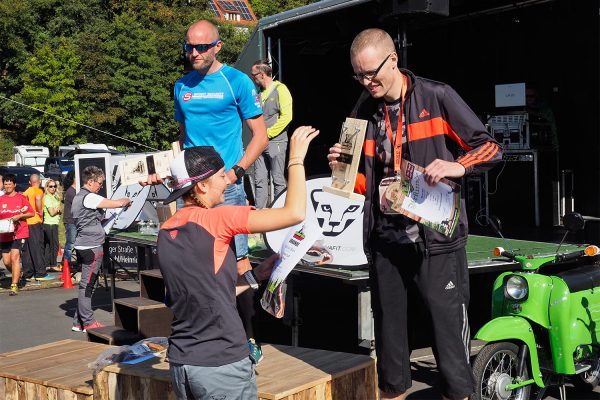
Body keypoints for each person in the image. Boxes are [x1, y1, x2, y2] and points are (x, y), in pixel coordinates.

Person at [327, 28, 502, 400]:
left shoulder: (436, 96)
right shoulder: (361, 107)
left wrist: (459, 166)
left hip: (435, 239)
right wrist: (341, 167)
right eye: (358, 75)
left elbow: (489, 148)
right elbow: (356, 181)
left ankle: (459, 394)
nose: (366, 81)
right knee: (390, 338)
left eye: (372, 72)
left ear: (393, 60)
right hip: (385, 240)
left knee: (448, 334)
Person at [157, 125, 318, 400]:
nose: (227, 182)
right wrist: (296, 159)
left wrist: (254, 276)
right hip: (221, 364)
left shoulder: (165, 230)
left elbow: (201, 294)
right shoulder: (219, 218)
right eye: (221, 176)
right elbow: (294, 213)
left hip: (183, 362)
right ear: (202, 186)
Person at [174, 19, 268, 361]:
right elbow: (184, 137)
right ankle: (204, 334)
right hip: (192, 191)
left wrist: (236, 173)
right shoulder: (181, 86)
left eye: (201, 47)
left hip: (226, 188)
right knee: (196, 263)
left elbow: (261, 136)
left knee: (238, 263)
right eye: (189, 47)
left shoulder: (237, 82)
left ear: (217, 47)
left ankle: (248, 339)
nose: (194, 53)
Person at [71, 166, 132, 332]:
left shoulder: (80, 197)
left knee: (87, 284)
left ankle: (79, 321)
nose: (101, 186)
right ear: (90, 181)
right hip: (91, 247)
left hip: (85, 245)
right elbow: (116, 203)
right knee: (87, 286)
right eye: (99, 183)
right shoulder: (89, 197)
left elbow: (101, 218)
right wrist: (125, 201)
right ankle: (88, 322)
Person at [250, 59, 293, 208]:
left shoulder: (281, 89)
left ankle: (280, 213)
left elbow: (287, 117)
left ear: (262, 74)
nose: (252, 78)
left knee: (278, 179)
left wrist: (267, 133)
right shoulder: (258, 93)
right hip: (259, 143)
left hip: (276, 142)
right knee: (260, 180)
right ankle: (259, 213)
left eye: (253, 75)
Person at [0, 174, 34, 296]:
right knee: (6, 261)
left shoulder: (21, 198)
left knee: (15, 258)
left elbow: (31, 213)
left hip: (19, 233)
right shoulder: (1, 199)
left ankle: (14, 285)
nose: (8, 186)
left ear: (14, 185)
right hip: (4, 234)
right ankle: (17, 274)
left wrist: (19, 216)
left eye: (10, 184)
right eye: (6, 184)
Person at [22, 173, 53, 281]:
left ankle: (27, 272)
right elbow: (38, 199)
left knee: (28, 249)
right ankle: (40, 273)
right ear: (39, 181)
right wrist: (40, 212)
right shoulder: (38, 190)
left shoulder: (26, 192)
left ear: (30, 182)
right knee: (38, 247)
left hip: (26, 221)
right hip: (35, 221)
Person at [42, 178, 61, 271]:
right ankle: (53, 264)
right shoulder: (47, 198)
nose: (53, 188)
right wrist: (57, 209)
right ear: (47, 187)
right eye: (51, 186)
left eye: (54, 186)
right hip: (49, 224)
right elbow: (52, 212)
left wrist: (57, 210)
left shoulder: (54, 197)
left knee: (49, 245)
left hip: (54, 223)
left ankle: (47, 264)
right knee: (54, 245)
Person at [62, 171, 77, 266]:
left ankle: (66, 262)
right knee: (70, 243)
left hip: (75, 220)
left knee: (74, 243)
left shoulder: (76, 190)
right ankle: (66, 264)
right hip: (71, 221)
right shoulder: (71, 191)